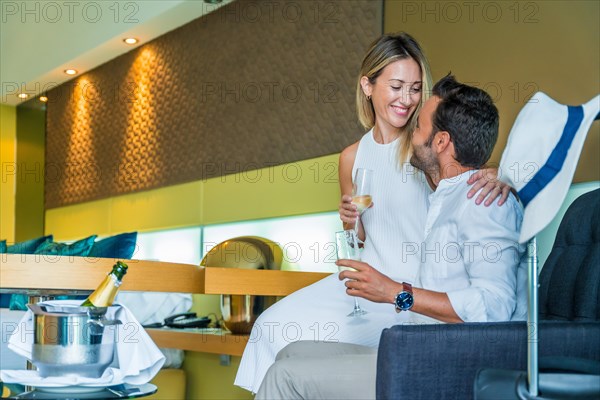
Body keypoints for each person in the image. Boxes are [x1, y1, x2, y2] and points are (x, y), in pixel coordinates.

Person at [234, 33, 510, 394]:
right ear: (368, 85)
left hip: (410, 285)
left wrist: (501, 175)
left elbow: (463, 176)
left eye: (414, 88)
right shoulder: (351, 156)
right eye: (396, 86)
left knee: (309, 358)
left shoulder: (424, 144)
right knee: (270, 326)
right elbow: (359, 238)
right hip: (367, 277)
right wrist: (351, 220)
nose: (407, 99)